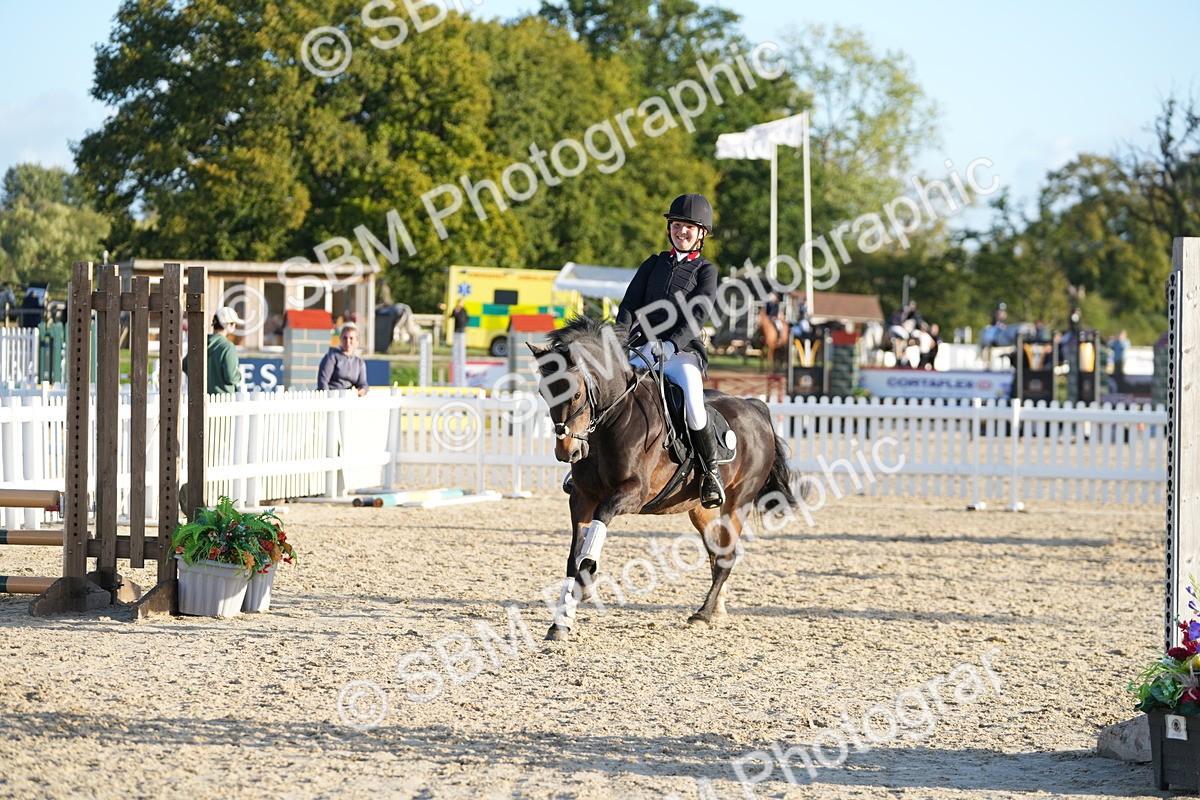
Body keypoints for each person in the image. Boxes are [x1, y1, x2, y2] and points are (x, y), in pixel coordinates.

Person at [616, 193, 724, 508]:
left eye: (689, 227)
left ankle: (710, 472)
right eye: (677, 225)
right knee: (610, 392)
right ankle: (591, 462)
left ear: (701, 233)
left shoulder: (706, 271)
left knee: (693, 402)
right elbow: (629, 305)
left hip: (681, 353)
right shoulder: (654, 263)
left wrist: (671, 343)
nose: (681, 231)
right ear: (670, 228)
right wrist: (621, 340)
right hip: (642, 347)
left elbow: (698, 315)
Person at [183, 306, 242, 394]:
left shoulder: (200, 343)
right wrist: (239, 376)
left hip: (200, 397)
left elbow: (185, 365)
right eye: (233, 324)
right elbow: (231, 377)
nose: (235, 326)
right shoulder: (227, 347)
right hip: (224, 398)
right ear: (228, 325)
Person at [317, 322, 369, 395]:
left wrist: (363, 390)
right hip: (331, 396)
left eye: (351, 338)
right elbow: (323, 381)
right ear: (340, 339)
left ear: (357, 341)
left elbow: (363, 384)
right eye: (345, 338)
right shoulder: (331, 357)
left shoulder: (359, 362)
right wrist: (328, 399)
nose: (348, 341)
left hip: (347, 398)